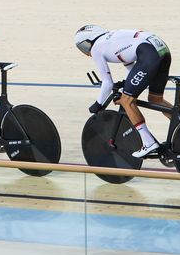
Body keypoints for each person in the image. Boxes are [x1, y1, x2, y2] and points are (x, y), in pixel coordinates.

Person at [74, 25, 172, 158]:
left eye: (83, 47)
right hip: (161, 49)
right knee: (155, 99)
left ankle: (149, 143)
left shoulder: (97, 47)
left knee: (127, 101)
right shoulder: (113, 39)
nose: (86, 52)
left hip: (149, 54)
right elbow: (134, 71)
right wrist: (124, 87)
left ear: (90, 40)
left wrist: (98, 104)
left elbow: (107, 82)